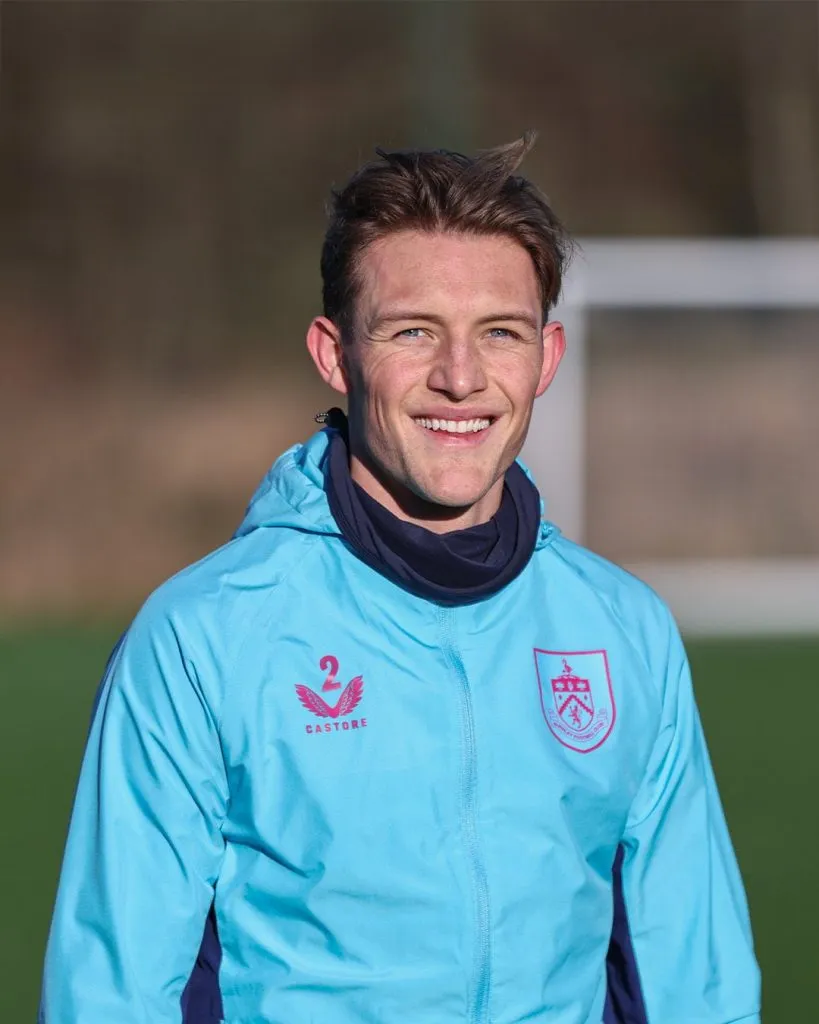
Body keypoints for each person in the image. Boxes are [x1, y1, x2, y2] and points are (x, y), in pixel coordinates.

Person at [40, 133, 760, 1024]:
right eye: (413, 331)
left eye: (499, 333)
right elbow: (111, 996)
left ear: (546, 358)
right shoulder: (202, 635)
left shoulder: (622, 629)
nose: (459, 378)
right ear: (335, 353)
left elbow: (693, 983)